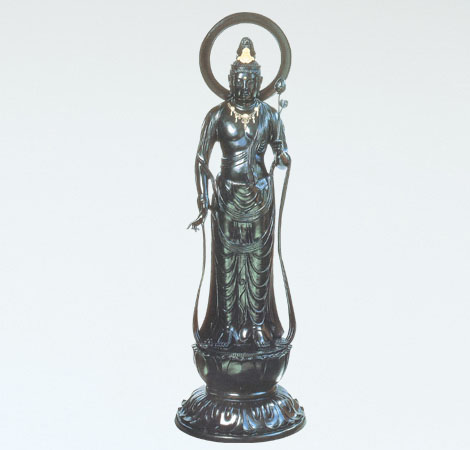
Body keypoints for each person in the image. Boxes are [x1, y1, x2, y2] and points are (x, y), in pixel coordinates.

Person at [188, 38, 291, 348]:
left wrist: (282, 157)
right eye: (240, 80)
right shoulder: (217, 116)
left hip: (259, 197)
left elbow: (281, 153)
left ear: (260, 82)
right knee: (227, 264)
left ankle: (258, 326)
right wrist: (203, 199)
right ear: (230, 80)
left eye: (250, 81)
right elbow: (201, 160)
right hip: (227, 197)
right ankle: (228, 327)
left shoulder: (270, 116)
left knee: (259, 264)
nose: (245, 86)